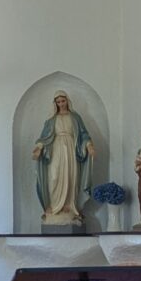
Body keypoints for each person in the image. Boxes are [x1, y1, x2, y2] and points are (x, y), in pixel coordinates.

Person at [32, 92, 95, 226]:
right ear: (55, 103)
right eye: (58, 102)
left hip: (71, 148)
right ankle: (55, 206)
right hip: (56, 149)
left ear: (67, 101)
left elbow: (84, 134)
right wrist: (39, 148)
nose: (61, 104)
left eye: (63, 101)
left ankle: (69, 206)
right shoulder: (51, 120)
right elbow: (44, 137)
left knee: (70, 176)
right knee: (54, 177)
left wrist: (89, 145)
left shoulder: (75, 117)